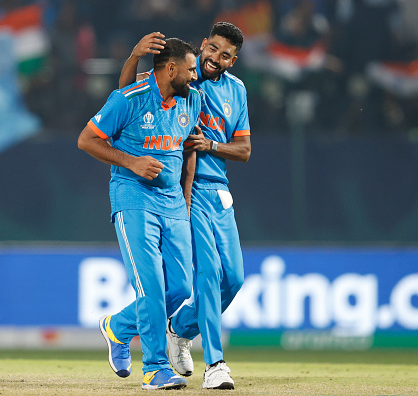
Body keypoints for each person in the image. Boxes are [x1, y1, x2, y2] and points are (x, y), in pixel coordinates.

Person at [114, 22, 251, 390]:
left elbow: (244, 150)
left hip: (215, 190)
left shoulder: (236, 91)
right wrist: (135, 55)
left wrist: (211, 147)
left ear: (233, 61)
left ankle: (174, 328)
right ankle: (216, 364)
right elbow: (126, 95)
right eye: (213, 50)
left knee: (233, 278)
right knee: (206, 276)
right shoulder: (180, 77)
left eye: (226, 56)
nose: (215, 59)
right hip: (177, 191)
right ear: (204, 45)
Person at [77, 37, 201, 390]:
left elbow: (188, 150)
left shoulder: (192, 101)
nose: (195, 76)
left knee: (180, 287)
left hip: (173, 203)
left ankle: (116, 327)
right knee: (151, 286)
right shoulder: (128, 98)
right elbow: (87, 140)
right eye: (190, 69)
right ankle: (155, 368)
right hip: (134, 199)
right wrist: (131, 161)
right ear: (171, 68)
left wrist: (185, 201)